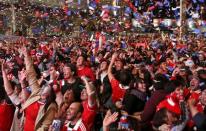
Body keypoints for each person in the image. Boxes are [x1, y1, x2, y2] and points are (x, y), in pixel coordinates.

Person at [21, 47, 58, 131]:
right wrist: (26, 55)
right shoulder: (37, 93)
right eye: (43, 87)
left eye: (46, 87)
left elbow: (45, 126)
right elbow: (31, 75)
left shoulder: (51, 106)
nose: (43, 89)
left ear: (50, 94)